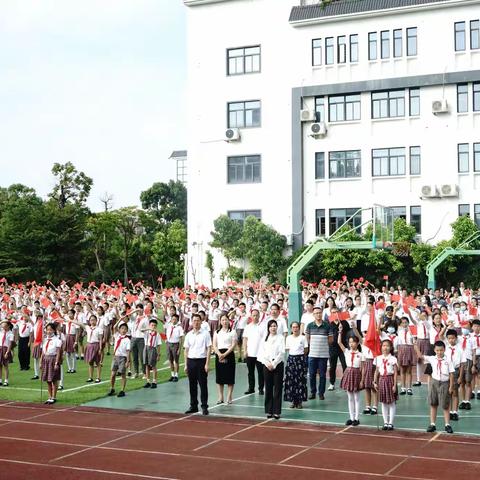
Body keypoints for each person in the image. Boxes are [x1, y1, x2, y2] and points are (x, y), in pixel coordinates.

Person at [415, 339, 455, 433]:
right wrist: (416, 347)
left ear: (444, 350)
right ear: (434, 350)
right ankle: (432, 424)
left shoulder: (448, 360)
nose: (439, 352)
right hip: (434, 382)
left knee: (445, 405)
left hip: (445, 383)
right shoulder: (432, 358)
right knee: (433, 403)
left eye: (441, 350)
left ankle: (447, 424)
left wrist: (451, 386)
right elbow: (421, 356)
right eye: (437, 350)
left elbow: (451, 374)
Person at [184, 313, 211, 415]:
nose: (196, 322)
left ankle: (204, 406)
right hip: (191, 361)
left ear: (201, 321)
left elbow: (209, 348)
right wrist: (186, 364)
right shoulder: (189, 334)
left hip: (201, 361)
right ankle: (193, 405)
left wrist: (207, 363)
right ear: (192, 321)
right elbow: (186, 350)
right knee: (192, 385)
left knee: (203, 385)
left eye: (198, 320)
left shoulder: (205, 334)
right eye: (194, 320)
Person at [258, 320, 285, 419]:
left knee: (277, 388)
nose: (273, 328)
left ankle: (277, 411)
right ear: (268, 328)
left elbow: (281, 353)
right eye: (271, 326)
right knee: (268, 388)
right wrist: (267, 363)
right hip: (267, 365)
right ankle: (269, 410)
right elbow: (261, 353)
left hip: (277, 365)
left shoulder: (281, 338)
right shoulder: (264, 339)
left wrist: (274, 363)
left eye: (275, 326)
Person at [337, 324, 363, 425]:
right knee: (350, 397)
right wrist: (340, 331)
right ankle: (351, 418)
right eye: (350, 342)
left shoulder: (360, 355)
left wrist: (361, 380)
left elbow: (362, 368)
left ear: (357, 343)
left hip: (356, 374)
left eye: (353, 342)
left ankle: (356, 418)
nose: (351, 344)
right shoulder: (347, 352)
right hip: (348, 372)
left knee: (356, 397)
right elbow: (339, 342)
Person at [305, 306, 332, 400]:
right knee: (312, 374)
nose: (318, 314)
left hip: (323, 355)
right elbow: (307, 338)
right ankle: (313, 392)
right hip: (312, 354)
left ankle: (321, 393)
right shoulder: (309, 325)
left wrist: (323, 345)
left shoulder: (327, 325)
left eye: (320, 313)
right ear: (313, 314)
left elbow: (331, 339)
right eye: (316, 313)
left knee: (322, 375)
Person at [373, 339, 398, 431]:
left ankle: (391, 422)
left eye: (387, 346)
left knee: (391, 402)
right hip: (382, 380)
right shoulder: (378, 358)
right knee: (383, 402)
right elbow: (376, 371)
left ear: (391, 348)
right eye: (383, 345)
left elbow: (395, 373)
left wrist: (395, 385)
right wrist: (374, 381)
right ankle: (385, 422)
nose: (385, 347)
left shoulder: (393, 359)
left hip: (390, 379)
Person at [213, 313, 236, 404]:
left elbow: (233, 344)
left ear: (228, 321)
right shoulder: (217, 332)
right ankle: (220, 396)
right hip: (219, 354)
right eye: (222, 320)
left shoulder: (232, 331)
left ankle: (229, 396)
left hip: (229, 354)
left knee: (230, 376)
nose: (224, 321)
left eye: (226, 319)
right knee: (220, 377)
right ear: (220, 321)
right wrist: (219, 354)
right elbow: (214, 345)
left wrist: (225, 354)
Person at [284, 321, 308, 409]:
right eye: (293, 327)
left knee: (300, 381)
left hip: (300, 360)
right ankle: (293, 401)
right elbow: (287, 349)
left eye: (296, 327)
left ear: (299, 328)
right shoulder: (288, 338)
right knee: (291, 380)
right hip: (291, 360)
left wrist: (301, 358)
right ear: (291, 328)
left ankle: (300, 401)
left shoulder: (303, 338)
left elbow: (305, 349)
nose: (295, 329)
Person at [242, 309, 265, 395]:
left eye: (256, 315)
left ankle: (261, 388)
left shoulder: (262, 326)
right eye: (253, 315)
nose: (255, 317)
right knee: (250, 372)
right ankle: (251, 388)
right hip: (250, 353)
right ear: (251, 316)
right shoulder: (248, 327)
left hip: (260, 354)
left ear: (259, 316)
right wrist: (245, 350)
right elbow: (245, 339)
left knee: (260, 372)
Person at [40, 322, 63, 404]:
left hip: (53, 359)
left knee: (54, 379)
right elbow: (43, 352)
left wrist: (56, 363)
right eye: (47, 330)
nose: (48, 331)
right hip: (46, 359)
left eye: (50, 330)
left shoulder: (57, 340)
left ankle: (54, 396)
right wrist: (40, 362)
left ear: (54, 330)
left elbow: (58, 352)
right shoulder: (44, 340)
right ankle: (49, 396)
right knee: (48, 380)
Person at [327, 306, 349, 391]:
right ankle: (332, 383)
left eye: (336, 312)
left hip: (343, 347)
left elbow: (349, 334)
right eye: (333, 312)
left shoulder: (344, 323)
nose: (335, 313)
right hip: (333, 348)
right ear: (331, 313)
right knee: (332, 367)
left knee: (345, 366)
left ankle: (346, 383)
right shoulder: (329, 324)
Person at [444, 329, 464, 421]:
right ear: (447, 339)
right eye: (449, 338)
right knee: (448, 392)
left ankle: (455, 412)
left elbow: (462, 364)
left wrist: (460, 376)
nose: (451, 340)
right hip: (446, 372)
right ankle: (450, 412)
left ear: (456, 338)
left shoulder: (460, 349)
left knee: (455, 392)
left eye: (453, 338)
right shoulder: (445, 349)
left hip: (455, 371)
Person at [108, 320, 131, 397]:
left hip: (123, 358)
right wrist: (120, 319)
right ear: (119, 329)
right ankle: (112, 388)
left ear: (127, 330)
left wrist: (128, 361)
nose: (123, 330)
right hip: (116, 357)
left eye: (125, 329)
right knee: (113, 374)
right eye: (122, 328)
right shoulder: (117, 336)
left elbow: (128, 351)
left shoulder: (127, 340)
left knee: (123, 374)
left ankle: (122, 390)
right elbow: (114, 327)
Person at [396, 316, 415, 395]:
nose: (404, 324)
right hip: (402, 349)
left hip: (410, 349)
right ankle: (403, 388)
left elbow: (414, 341)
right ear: (400, 324)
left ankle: (409, 388)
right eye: (402, 323)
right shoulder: (399, 331)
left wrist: (411, 332)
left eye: (406, 322)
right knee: (402, 370)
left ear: (408, 323)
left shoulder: (411, 331)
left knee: (409, 371)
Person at [165, 313, 184, 382]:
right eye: (172, 319)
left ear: (177, 320)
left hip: (176, 344)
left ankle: (176, 375)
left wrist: (179, 348)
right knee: (170, 360)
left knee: (176, 361)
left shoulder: (179, 328)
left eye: (175, 319)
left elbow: (181, 338)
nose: (173, 320)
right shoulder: (169, 326)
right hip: (169, 344)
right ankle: (172, 375)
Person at [144, 319, 161, 389]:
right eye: (152, 325)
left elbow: (159, 345)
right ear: (149, 325)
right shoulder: (147, 332)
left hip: (153, 349)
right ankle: (148, 381)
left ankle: (154, 381)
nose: (153, 327)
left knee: (153, 366)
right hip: (146, 348)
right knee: (147, 365)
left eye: (154, 325)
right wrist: (148, 328)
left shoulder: (157, 334)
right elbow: (140, 329)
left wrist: (158, 354)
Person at [0, 320, 14, 386]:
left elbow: (10, 345)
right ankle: (0, 380)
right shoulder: (1, 332)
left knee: (5, 366)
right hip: (0, 348)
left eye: (5, 326)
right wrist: (3, 321)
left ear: (8, 326)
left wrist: (7, 352)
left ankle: (6, 380)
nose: (3, 327)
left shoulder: (11, 334)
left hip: (5, 349)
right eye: (2, 326)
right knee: (0, 366)